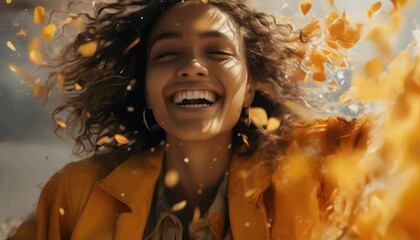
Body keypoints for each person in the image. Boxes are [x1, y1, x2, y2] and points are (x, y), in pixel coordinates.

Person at [12, 0, 370, 239]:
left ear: (249, 89)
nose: (192, 67)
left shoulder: (314, 167)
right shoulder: (75, 194)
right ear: (146, 90)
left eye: (217, 51)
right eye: (168, 54)